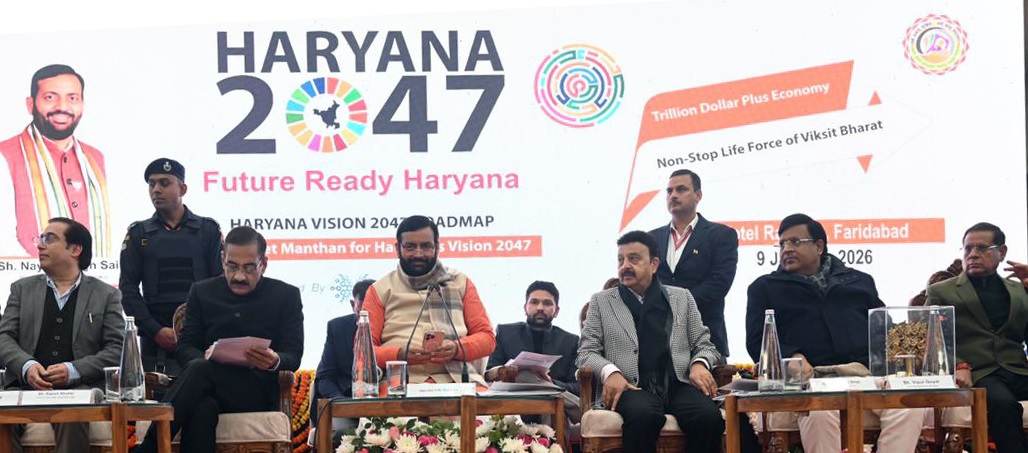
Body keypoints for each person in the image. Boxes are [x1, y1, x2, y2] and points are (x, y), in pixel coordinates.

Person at [746, 214, 922, 452]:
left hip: (863, 374)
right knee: (819, 411)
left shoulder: (859, 281)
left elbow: (883, 329)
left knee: (909, 406)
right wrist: (793, 356)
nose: (787, 249)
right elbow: (756, 341)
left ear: (819, 246)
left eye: (795, 242)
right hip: (812, 380)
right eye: (782, 243)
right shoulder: (765, 288)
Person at [134, 226, 304, 453]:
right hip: (207, 384)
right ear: (223, 259)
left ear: (263, 264)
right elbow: (185, 347)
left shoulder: (286, 295)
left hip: (255, 390)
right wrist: (205, 357)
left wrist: (275, 360)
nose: (239, 276)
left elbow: (293, 354)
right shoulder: (202, 292)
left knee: (200, 371)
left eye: (249, 268)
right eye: (232, 266)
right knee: (202, 407)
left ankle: (148, 448)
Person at [578, 230, 722, 453]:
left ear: (654, 264)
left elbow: (705, 345)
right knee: (644, 415)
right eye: (620, 260)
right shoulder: (602, 301)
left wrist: (699, 364)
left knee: (708, 416)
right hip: (631, 386)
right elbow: (586, 352)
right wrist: (611, 373)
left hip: (677, 383)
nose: (625, 266)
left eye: (633, 259)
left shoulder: (682, 297)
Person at [0, 217, 124, 453]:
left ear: (75, 250)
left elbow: (117, 349)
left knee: (73, 412)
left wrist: (74, 369)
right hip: (23, 388)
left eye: (50, 239)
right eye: (41, 238)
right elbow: (3, 337)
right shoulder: (21, 289)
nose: (40, 245)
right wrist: (26, 365)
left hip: (79, 389)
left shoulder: (106, 294)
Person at [926, 222, 1028, 453]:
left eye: (982, 248)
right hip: (978, 373)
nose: (972, 254)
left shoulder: (1019, 290)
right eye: (967, 248)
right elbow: (933, 340)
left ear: (1002, 252)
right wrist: (959, 365)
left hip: (1017, 369)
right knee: (1004, 405)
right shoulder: (942, 291)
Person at [119, 158, 223, 375]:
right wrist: (155, 330)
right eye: (151, 184)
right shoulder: (138, 233)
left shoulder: (208, 230)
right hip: (156, 341)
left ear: (182, 189)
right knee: (156, 396)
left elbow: (220, 284)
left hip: (202, 335)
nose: (156, 190)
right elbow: (128, 290)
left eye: (164, 183)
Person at [363, 215, 495, 386]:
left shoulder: (459, 282)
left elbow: (487, 339)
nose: (418, 254)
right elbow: (364, 352)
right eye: (410, 247)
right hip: (399, 383)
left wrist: (456, 348)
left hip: (457, 381)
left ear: (437, 247)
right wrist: (399, 354)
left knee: (494, 404)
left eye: (426, 246)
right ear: (397, 249)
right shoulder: (380, 289)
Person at [0, 65, 111, 258]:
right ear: (30, 104)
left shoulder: (96, 159)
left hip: (91, 275)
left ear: (82, 104)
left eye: (72, 98)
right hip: (27, 275)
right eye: (50, 97)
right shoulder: (5, 154)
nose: (62, 107)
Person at [648, 169, 738, 356]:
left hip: (705, 340)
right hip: (658, 341)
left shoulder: (721, 235)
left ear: (698, 195)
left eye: (681, 189)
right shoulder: (651, 239)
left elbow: (719, 284)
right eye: (669, 191)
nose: (673, 195)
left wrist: (676, 306)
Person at [487, 281, 581, 423]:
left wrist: (550, 382)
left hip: (553, 407)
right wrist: (504, 372)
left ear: (556, 311)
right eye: (534, 302)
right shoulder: (505, 333)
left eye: (547, 303)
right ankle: (582, 412)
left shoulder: (570, 341)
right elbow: (488, 374)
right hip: (513, 401)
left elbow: (577, 387)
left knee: (549, 403)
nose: (540, 308)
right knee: (527, 376)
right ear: (525, 307)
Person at [311, 278, 375, 445]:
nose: (367, 319)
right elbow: (325, 377)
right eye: (362, 311)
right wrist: (341, 403)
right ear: (353, 304)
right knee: (342, 433)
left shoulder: (391, 328)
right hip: (345, 402)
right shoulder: (337, 328)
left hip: (384, 406)